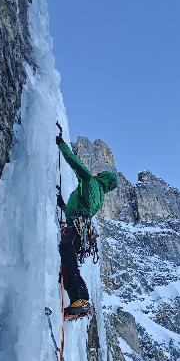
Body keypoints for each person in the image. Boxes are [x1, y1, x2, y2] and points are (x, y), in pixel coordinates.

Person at [56, 134, 117, 320]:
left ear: (102, 177)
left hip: (78, 227)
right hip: (83, 230)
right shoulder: (100, 199)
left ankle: (80, 298)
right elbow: (80, 209)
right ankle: (79, 298)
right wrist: (63, 206)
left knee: (67, 254)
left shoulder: (90, 182)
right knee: (69, 258)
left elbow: (76, 164)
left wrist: (62, 145)